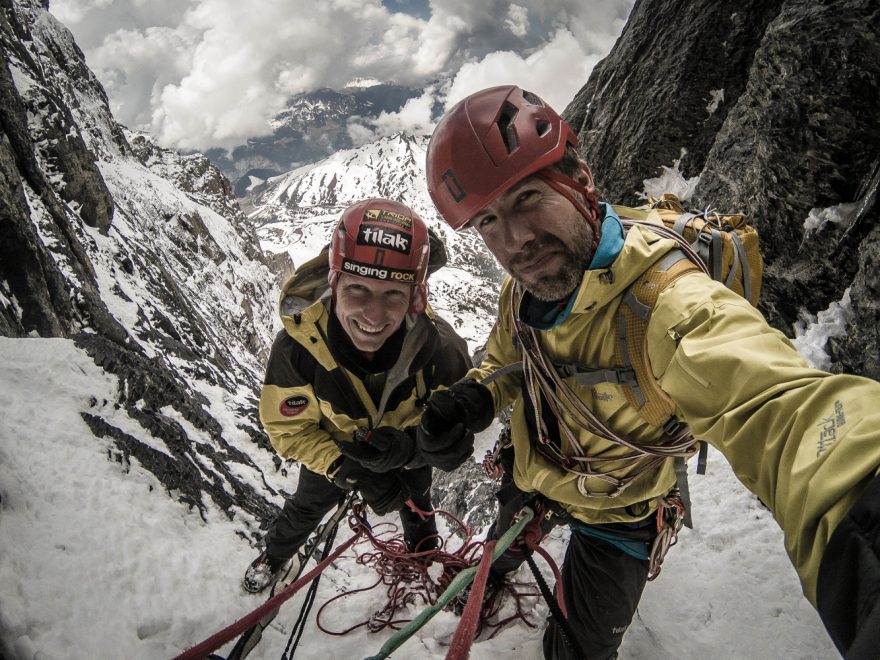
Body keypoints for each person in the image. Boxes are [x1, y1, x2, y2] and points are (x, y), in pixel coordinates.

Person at [417, 85, 880, 659]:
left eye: (528, 198)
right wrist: (476, 397)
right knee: (499, 552)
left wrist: (863, 517)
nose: (517, 240)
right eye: (488, 220)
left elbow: (780, 410)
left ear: (580, 179)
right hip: (535, 473)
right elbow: (507, 359)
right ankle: (489, 580)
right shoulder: (524, 289)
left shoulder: (669, 304)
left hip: (619, 511)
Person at [244, 198, 471, 593]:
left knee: (417, 504)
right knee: (306, 507)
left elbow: (455, 430)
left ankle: (423, 557)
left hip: (404, 449)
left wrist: (411, 452)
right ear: (334, 283)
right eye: (358, 288)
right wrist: (344, 468)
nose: (373, 315)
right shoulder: (299, 350)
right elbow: (289, 429)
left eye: (393, 294)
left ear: (415, 297)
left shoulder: (441, 351)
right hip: (336, 451)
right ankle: (275, 555)